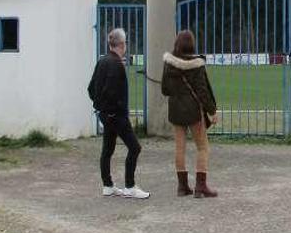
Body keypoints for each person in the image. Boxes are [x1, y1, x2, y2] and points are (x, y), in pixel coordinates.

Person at [87, 28, 149, 199]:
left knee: (108, 149)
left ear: (110, 43)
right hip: (116, 115)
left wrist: (99, 107)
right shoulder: (116, 64)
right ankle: (130, 185)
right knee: (135, 147)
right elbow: (111, 92)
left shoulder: (102, 61)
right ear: (122, 44)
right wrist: (113, 110)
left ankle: (108, 185)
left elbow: (91, 88)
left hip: (105, 114)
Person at [161, 30, 219, 198]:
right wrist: (212, 111)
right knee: (202, 147)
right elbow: (203, 91)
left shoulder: (168, 63)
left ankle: (182, 186)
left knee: (180, 147)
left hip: (176, 110)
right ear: (192, 45)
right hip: (194, 110)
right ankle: (200, 187)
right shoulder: (197, 64)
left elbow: (165, 89)